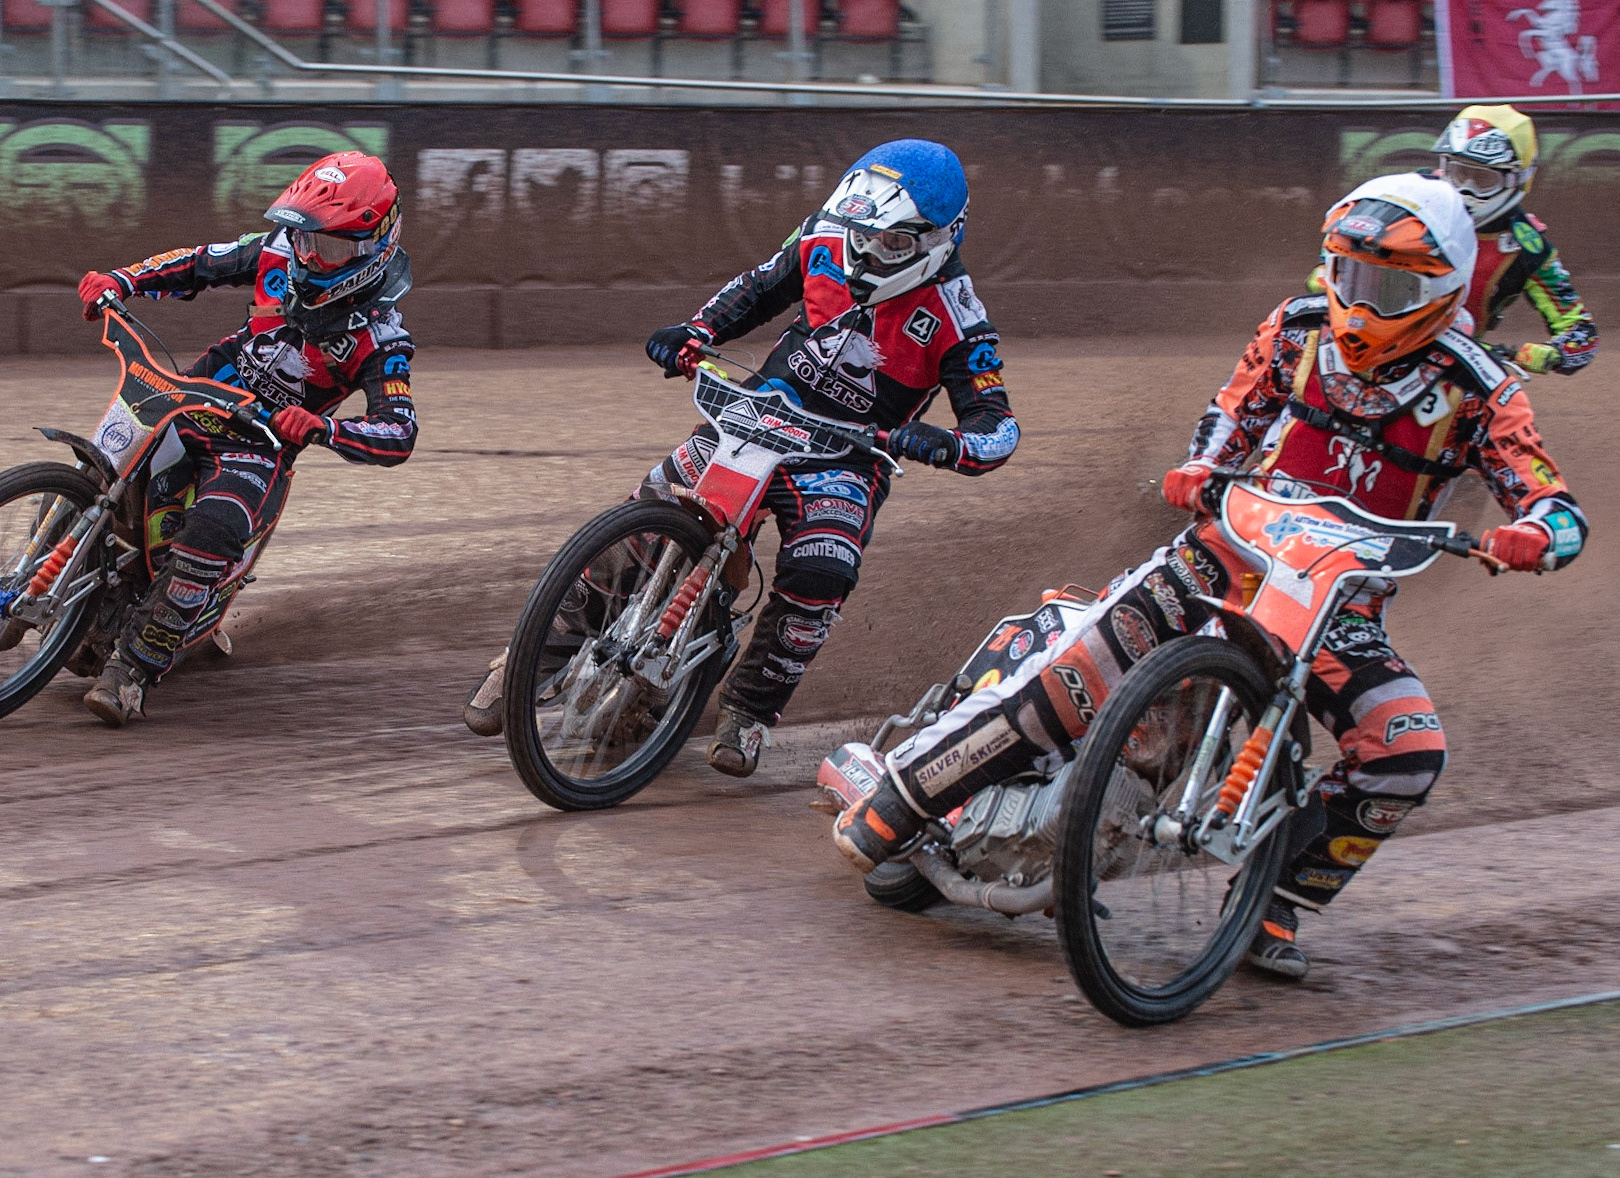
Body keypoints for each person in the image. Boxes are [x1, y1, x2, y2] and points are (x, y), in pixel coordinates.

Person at [832, 172, 1586, 978]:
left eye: (1390, 284)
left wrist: (1533, 533)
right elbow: (1230, 410)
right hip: (1218, 557)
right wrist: (1200, 467)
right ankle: (896, 804)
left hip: (1338, 608)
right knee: (1072, 679)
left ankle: (1272, 910)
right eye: (1352, 275)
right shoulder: (1297, 327)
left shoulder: (1480, 387)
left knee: (1407, 750)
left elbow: (1553, 501)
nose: (1362, 300)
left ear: (1439, 289)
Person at [463, 138, 1019, 777]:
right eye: (860, 233)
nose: (864, 252)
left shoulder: (961, 316)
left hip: (848, 454)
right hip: (759, 412)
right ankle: (535, 653)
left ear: (939, 239)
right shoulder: (824, 237)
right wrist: (696, 332)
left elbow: (997, 426)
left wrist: (949, 442)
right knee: (649, 508)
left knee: (823, 569)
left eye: (889, 244)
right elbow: (757, 290)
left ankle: (750, 708)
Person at [74, 150, 417, 726]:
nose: (308, 255)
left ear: (373, 246)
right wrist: (122, 279)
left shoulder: (383, 339)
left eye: (327, 246)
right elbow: (199, 263)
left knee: (215, 529)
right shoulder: (277, 251)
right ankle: (45, 575)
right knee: (95, 466)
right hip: (196, 392)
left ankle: (132, 670)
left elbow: (399, 430)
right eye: (305, 239)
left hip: (259, 443)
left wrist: (325, 426)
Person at [1307, 104, 1597, 377]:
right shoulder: (1405, 194)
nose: (1465, 190)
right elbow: (1332, 253)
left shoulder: (1528, 246)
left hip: (1453, 366)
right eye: (1459, 173)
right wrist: (1332, 280)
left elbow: (1581, 331)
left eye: (1482, 180)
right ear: (1444, 165)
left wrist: (1551, 354)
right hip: (1363, 344)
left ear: (1517, 179)